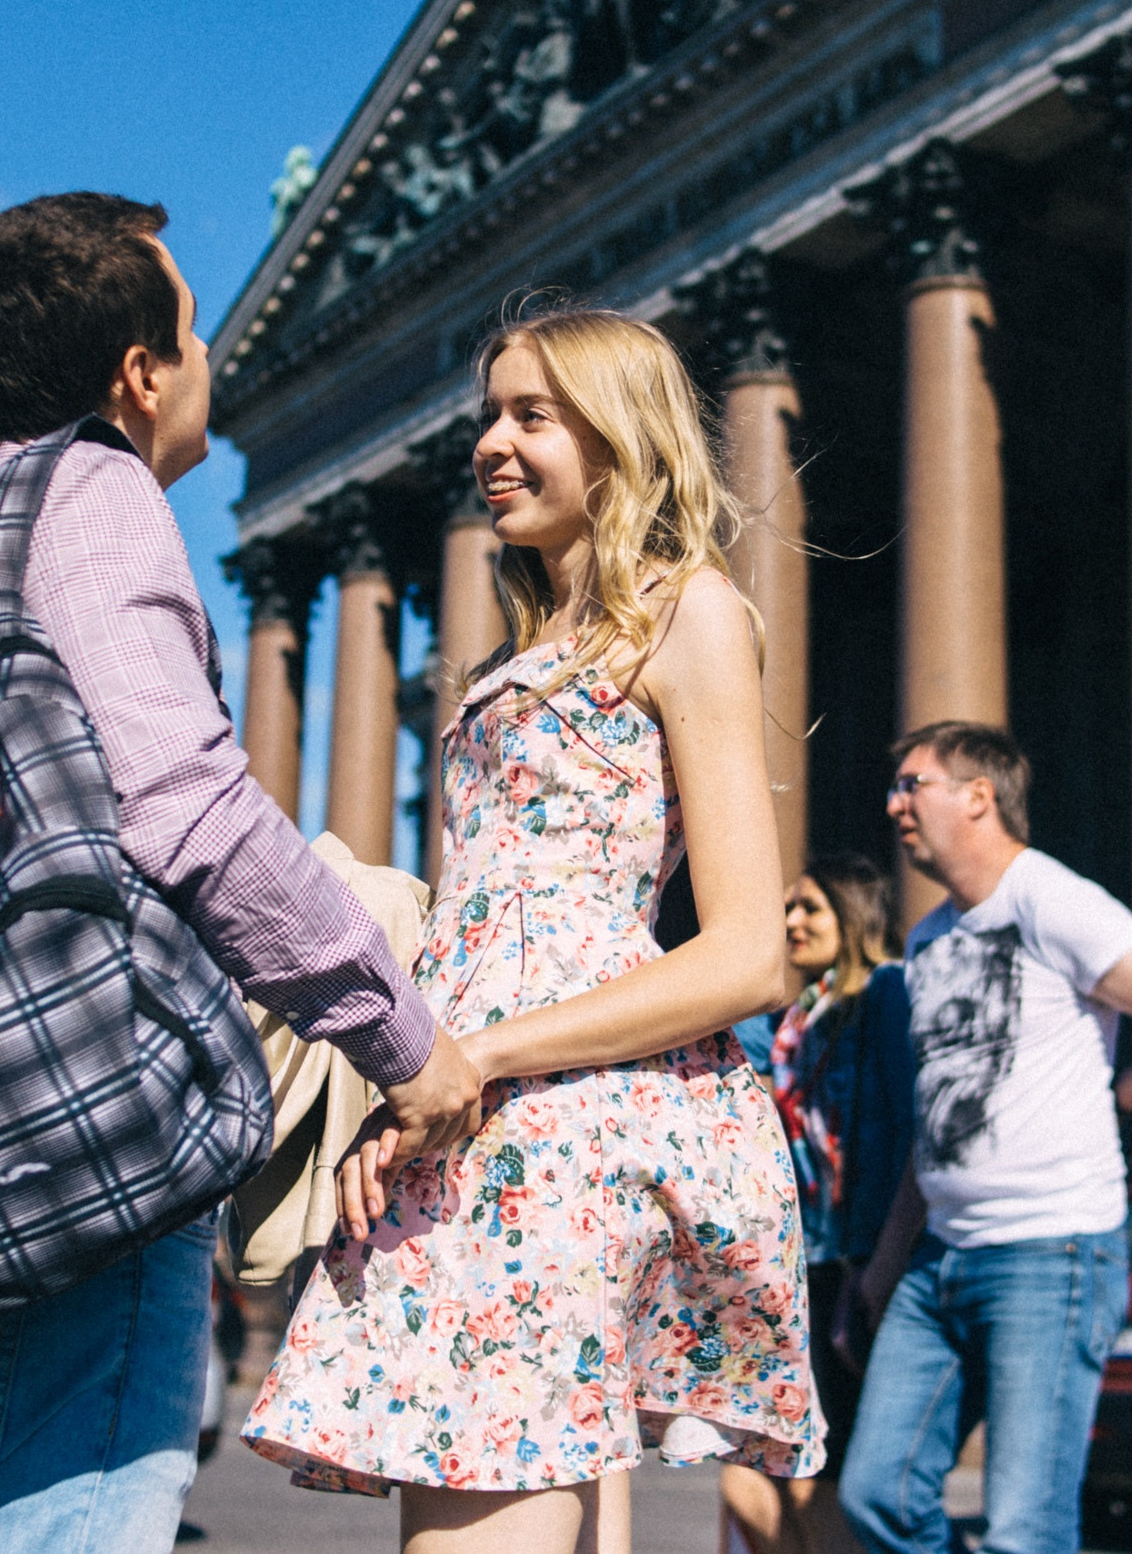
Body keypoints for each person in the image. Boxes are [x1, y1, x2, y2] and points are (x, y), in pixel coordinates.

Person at [0, 193, 483, 1553]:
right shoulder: (99, 500)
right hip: (51, 1177)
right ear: (139, 371)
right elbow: (184, 803)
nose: (210, 361)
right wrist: (407, 1040)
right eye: (194, 329)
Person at [241, 306, 823, 1553]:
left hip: (555, 1118)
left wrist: (483, 1058)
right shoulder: (534, 644)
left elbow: (745, 954)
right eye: (488, 417)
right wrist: (411, 1081)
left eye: (532, 416)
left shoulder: (687, 612)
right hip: (460, 1109)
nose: (491, 446)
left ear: (621, 438)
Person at [838, 721, 1132, 1554]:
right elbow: (935, 1126)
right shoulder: (927, 941)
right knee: (876, 1494)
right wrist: (882, 1273)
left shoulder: (1051, 899)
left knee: (1026, 1530)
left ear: (978, 796)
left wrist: (1112, 1094)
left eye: (912, 784)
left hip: (1050, 1252)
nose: (893, 805)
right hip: (940, 1261)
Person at [722, 855, 915, 1554]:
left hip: (857, 1259)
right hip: (802, 1263)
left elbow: (906, 1128)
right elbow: (734, 1051)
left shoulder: (885, 994)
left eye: (810, 908)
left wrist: (884, 1258)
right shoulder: (797, 1017)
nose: (792, 921)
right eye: (786, 909)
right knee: (751, 1483)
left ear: (853, 916)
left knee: (818, 1480)